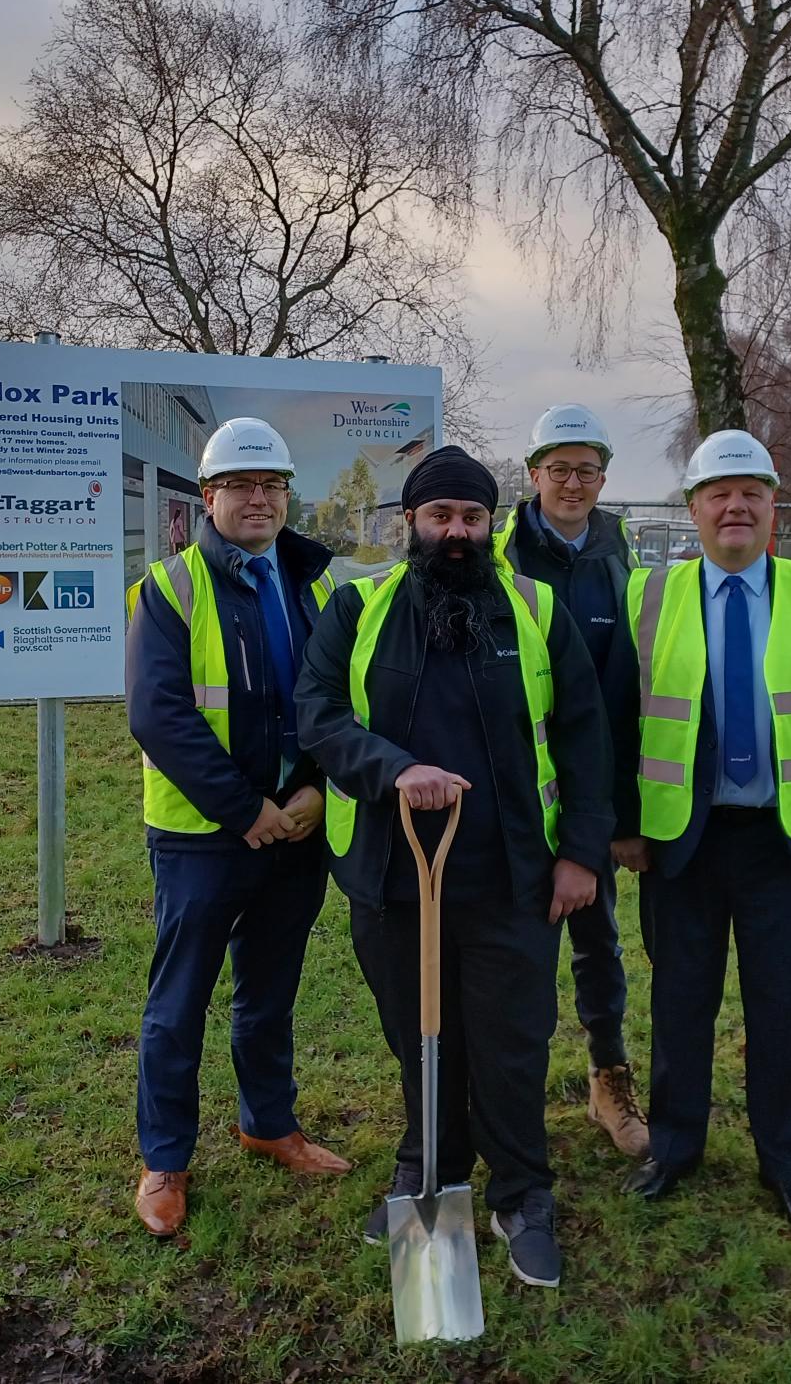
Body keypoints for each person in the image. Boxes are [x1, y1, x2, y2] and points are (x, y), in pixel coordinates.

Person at [297, 444, 614, 1290]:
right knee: (420, 1036)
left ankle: (522, 1194)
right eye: (440, 516)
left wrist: (581, 854)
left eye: (473, 516)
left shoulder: (535, 611)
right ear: (410, 523)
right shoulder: (358, 608)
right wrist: (394, 768)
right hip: (394, 876)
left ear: (492, 523)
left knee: (510, 1042)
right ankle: (429, 1168)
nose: (458, 533)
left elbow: (585, 736)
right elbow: (319, 716)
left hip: (513, 875)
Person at [618, 429, 791, 1233]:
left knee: (779, 1007)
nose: (736, 507)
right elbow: (616, 715)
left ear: (774, 506)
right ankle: (673, 1148)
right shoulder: (651, 594)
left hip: (782, 840)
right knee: (680, 1000)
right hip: (682, 839)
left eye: (752, 494)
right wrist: (629, 824)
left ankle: (786, 1165)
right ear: (694, 508)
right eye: (718, 494)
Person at [123, 418, 350, 1239]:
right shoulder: (170, 588)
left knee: (270, 991)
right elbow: (160, 716)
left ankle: (268, 1123)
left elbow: (338, 704)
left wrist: (319, 789)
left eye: (272, 485)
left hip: (298, 826)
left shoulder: (317, 587)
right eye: (241, 486)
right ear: (209, 496)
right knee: (177, 1003)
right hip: (202, 837)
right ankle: (165, 1159)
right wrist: (244, 808)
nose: (259, 499)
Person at [492, 403, 650, 1159]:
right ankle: (506, 1092)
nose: (573, 483)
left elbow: (632, 692)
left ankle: (608, 1079)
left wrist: (618, 808)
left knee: (598, 942)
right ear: (533, 476)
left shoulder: (622, 556)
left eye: (587, 470)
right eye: (559, 469)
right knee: (514, 952)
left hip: (591, 789)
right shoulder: (501, 557)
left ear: (604, 478)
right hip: (516, 793)